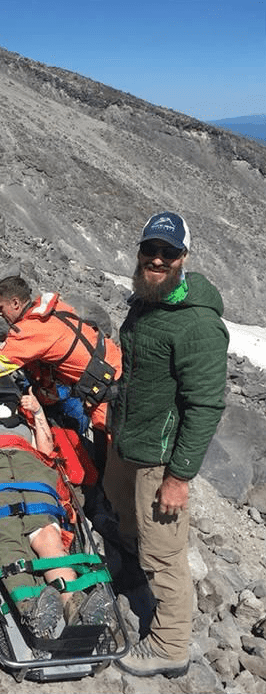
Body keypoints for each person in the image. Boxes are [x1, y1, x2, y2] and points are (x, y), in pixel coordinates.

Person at [104, 212, 229, 677]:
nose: (157, 258)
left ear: (184, 258)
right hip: (128, 441)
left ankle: (170, 645)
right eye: (150, 250)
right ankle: (132, 562)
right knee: (121, 511)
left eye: (168, 252)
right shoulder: (146, 300)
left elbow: (203, 407)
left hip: (160, 459)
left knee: (164, 551)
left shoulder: (197, 325)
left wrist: (178, 478)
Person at [0, 382, 110, 639]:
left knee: (48, 533)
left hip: (29, 463)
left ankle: (74, 603)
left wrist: (38, 413)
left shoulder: (24, 419)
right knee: (4, 530)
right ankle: (31, 607)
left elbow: (45, 450)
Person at [0, 276, 122, 437]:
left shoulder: (30, 332)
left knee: (112, 456)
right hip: (120, 367)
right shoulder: (54, 310)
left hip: (107, 393)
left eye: (1, 308)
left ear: (15, 303)